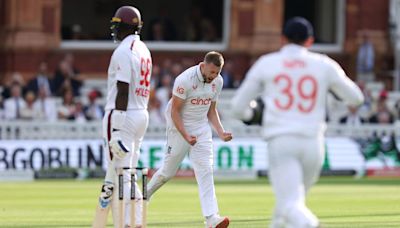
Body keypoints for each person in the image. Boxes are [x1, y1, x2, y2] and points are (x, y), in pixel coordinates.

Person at [230, 17, 364, 228]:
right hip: (313, 144)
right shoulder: (324, 64)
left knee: (290, 204)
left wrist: (253, 115)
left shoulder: (267, 62)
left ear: (282, 39)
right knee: (287, 208)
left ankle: (311, 225)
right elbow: (356, 98)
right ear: (310, 41)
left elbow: (238, 107)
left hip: (282, 141)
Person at [147, 51, 232, 228]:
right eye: (211, 73)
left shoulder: (218, 82)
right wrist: (185, 135)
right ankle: (142, 197)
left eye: (216, 73)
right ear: (203, 65)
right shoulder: (185, 79)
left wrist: (221, 132)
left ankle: (211, 218)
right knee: (167, 173)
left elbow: (211, 110)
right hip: (179, 127)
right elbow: (174, 111)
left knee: (206, 171)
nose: (213, 77)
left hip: (201, 128)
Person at [93, 5, 152, 228]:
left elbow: (123, 88)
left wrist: (116, 128)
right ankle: (133, 221)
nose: (115, 31)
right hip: (141, 115)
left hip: (122, 116)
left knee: (120, 173)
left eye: (117, 26)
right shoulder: (144, 49)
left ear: (124, 27)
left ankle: (129, 221)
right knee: (129, 171)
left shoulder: (123, 52)